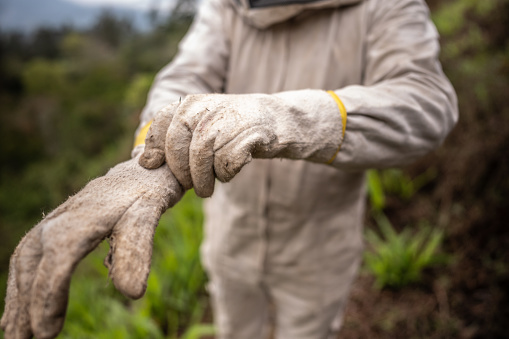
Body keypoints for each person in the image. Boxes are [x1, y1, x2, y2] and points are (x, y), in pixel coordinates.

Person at [1, 0, 457, 338]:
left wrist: (283, 118)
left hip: (319, 244)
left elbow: (426, 101)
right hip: (232, 236)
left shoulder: (385, 7)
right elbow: (184, 77)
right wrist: (145, 163)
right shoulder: (229, 8)